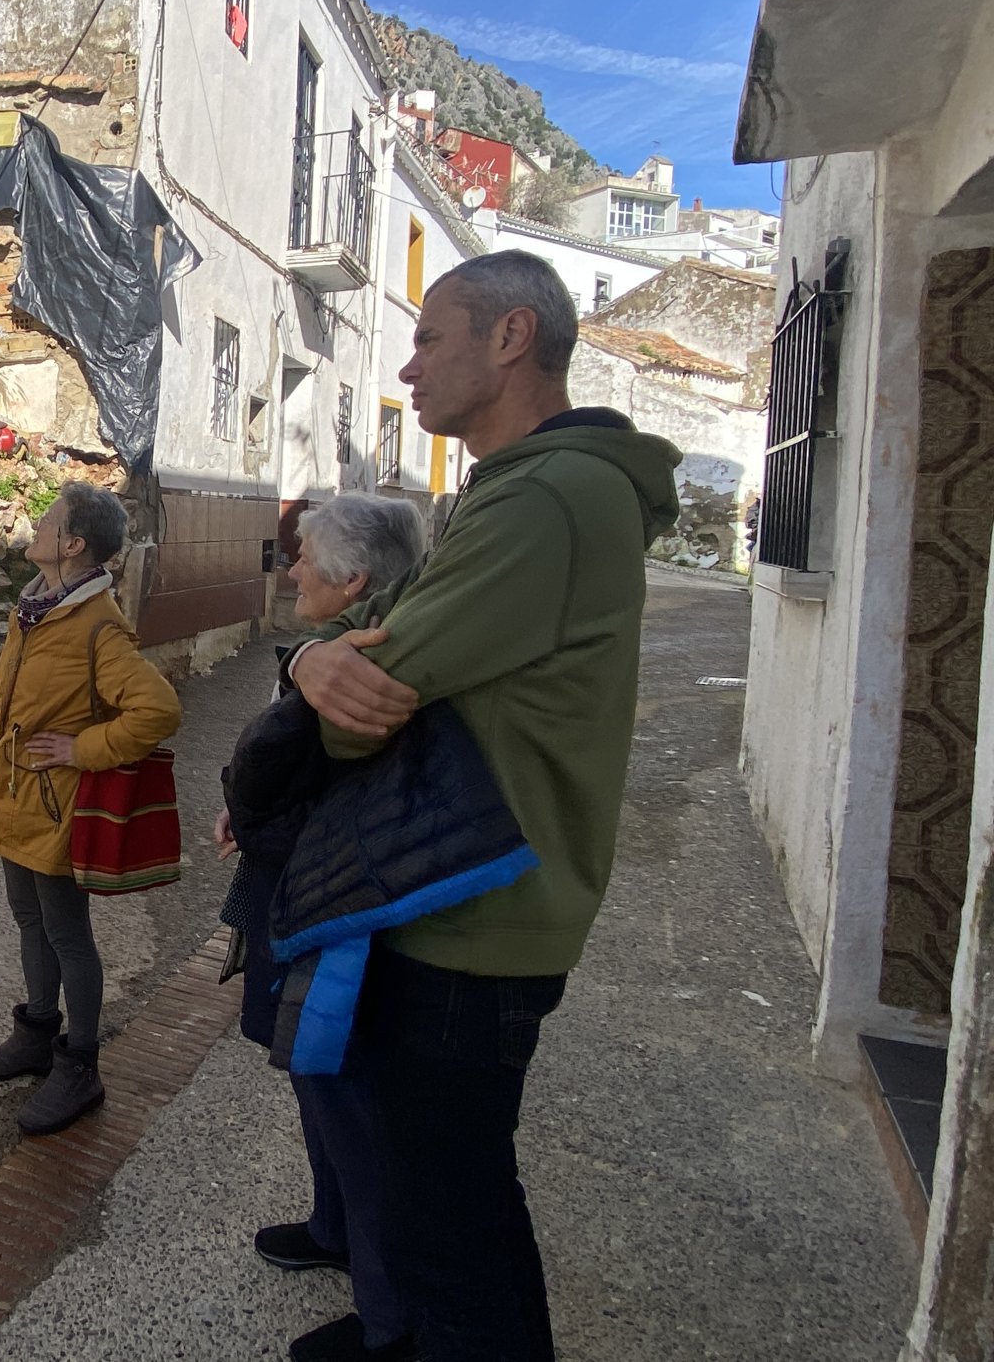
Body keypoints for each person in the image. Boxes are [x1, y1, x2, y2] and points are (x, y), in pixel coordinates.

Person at [284, 250, 680, 1362]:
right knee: (431, 1187)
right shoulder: (510, 488)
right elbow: (356, 648)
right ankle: (402, 1334)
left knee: (453, 1213)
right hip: (460, 885)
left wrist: (315, 677)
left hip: (476, 902)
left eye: (427, 338)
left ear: (510, 338)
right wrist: (312, 662)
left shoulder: (546, 497)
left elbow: (373, 691)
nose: (407, 367)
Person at [214, 494, 426, 1362]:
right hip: (300, 903)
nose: (291, 568)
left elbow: (340, 806)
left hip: (331, 918)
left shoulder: (362, 671)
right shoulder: (327, 655)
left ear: (356, 581)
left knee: (353, 1108)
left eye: (305, 556)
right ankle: (333, 1229)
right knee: (317, 1087)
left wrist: (252, 813)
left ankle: (388, 1322)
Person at [0, 481, 181, 1135]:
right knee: (28, 917)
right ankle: (36, 1035)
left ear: (73, 544)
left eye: (48, 521)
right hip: (13, 796)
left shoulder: (96, 625)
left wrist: (83, 749)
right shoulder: (34, 606)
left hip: (56, 806)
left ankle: (80, 1065)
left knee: (66, 932)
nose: (36, 526)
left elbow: (157, 709)